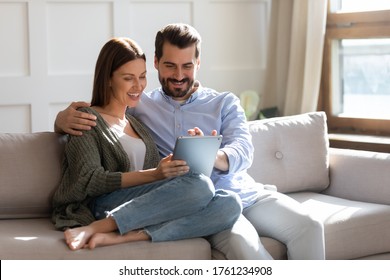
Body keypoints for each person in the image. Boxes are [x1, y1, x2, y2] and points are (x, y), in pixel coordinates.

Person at [55, 24, 325, 259]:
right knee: (246, 246)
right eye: (170, 65)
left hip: (242, 193)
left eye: (187, 66)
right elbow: (105, 115)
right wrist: (61, 121)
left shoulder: (224, 102)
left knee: (311, 225)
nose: (179, 75)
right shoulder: (141, 105)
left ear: (198, 63)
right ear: (157, 62)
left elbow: (243, 150)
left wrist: (211, 154)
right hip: (192, 200)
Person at [51, 37, 242, 251]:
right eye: (128, 78)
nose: (138, 86)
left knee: (230, 203)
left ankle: (126, 236)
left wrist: (174, 167)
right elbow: (89, 180)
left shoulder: (135, 121)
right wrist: (155, 174)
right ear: (108, 79)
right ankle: (97, 227)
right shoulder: (87, 118)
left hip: (144, 203)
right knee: (201, 186)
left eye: (142, 77)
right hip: (103, 203)